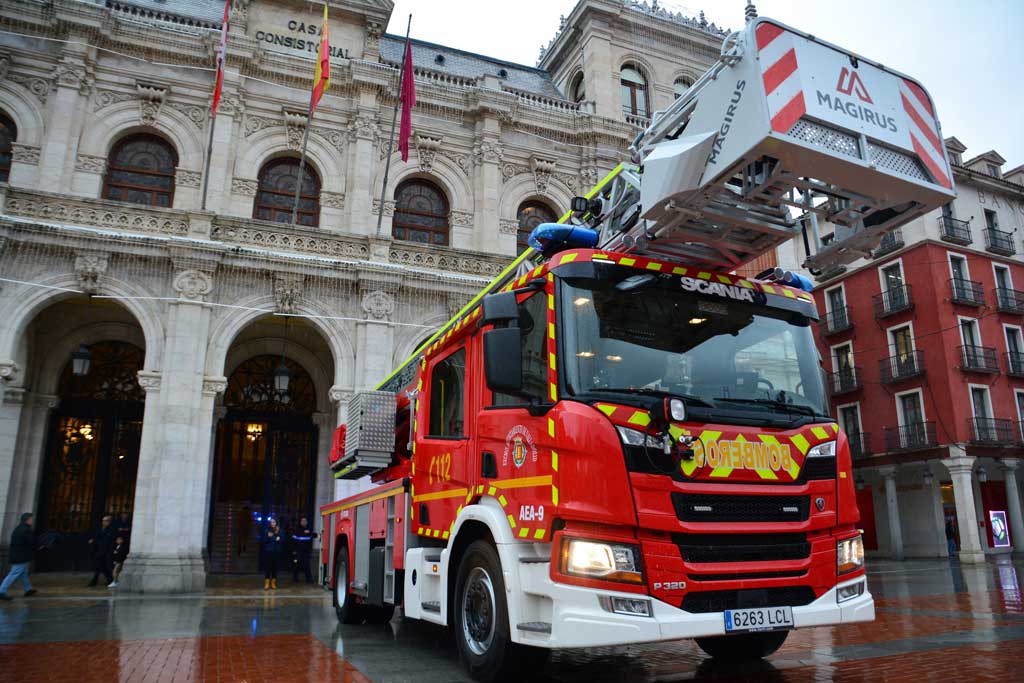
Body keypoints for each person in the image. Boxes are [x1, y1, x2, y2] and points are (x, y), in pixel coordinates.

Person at [0, 512, 39, 600]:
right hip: (20, 556)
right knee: (14, 573)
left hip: (18, 555)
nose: (32, 521)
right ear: (27, 520)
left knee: (23, 573)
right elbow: (31, 542)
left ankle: (28, 589)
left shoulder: (19, 528)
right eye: (31, 519)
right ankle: (1, 591)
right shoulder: (25, 530)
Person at [87, 514, 116, 587]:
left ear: (109, 522)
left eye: (106, 521)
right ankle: (105, 580)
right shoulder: (100, 529)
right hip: (99, 550)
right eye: (103, 521)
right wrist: (93, 541)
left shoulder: (111, 530)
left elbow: (110, 541)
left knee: (105, 567)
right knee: (99, 566)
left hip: (107, 551)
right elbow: (96, 537)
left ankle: (107, 580)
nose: (104, 522)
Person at [291, 516, 317, 583]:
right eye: (302, 521)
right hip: (299, 550)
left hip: (307, 551)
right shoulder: (297, 530)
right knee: (297, 564)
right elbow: (293, 540)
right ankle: (295, 578)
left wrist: (310, 533)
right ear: (300, 522)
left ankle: (308, 579)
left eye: (305, 521)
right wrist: (294, 550)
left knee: (307, 564)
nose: (304, 522)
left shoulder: (309, 530)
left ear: (307, 522)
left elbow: (315, 535)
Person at [261, 518, 283, 590]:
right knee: (268, 567)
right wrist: (268, 537)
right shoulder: (267, 531)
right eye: (271, 522)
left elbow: (283, 540)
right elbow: (263, 540)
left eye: (274, 522)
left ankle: (273, 583)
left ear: (276, 523)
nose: (273, 523)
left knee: (275, 567)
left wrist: (279, 539)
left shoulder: (280, 531)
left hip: (276, 551)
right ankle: (267, 583)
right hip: (268, 551)